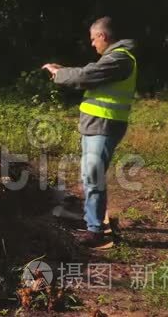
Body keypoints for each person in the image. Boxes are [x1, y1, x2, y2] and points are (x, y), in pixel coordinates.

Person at [42, 17, 137, 249]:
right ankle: (92, 220)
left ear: (103, 36)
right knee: (88, 175)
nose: (93, 45)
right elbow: (89, 73)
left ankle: (95, 231)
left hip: (104, 126)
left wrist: (59, 75)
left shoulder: (120, 59)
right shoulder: (112, 59)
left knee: (93, 176)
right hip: (95, 125)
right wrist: (65, 71)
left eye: (94, 39)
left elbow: (85, 76)